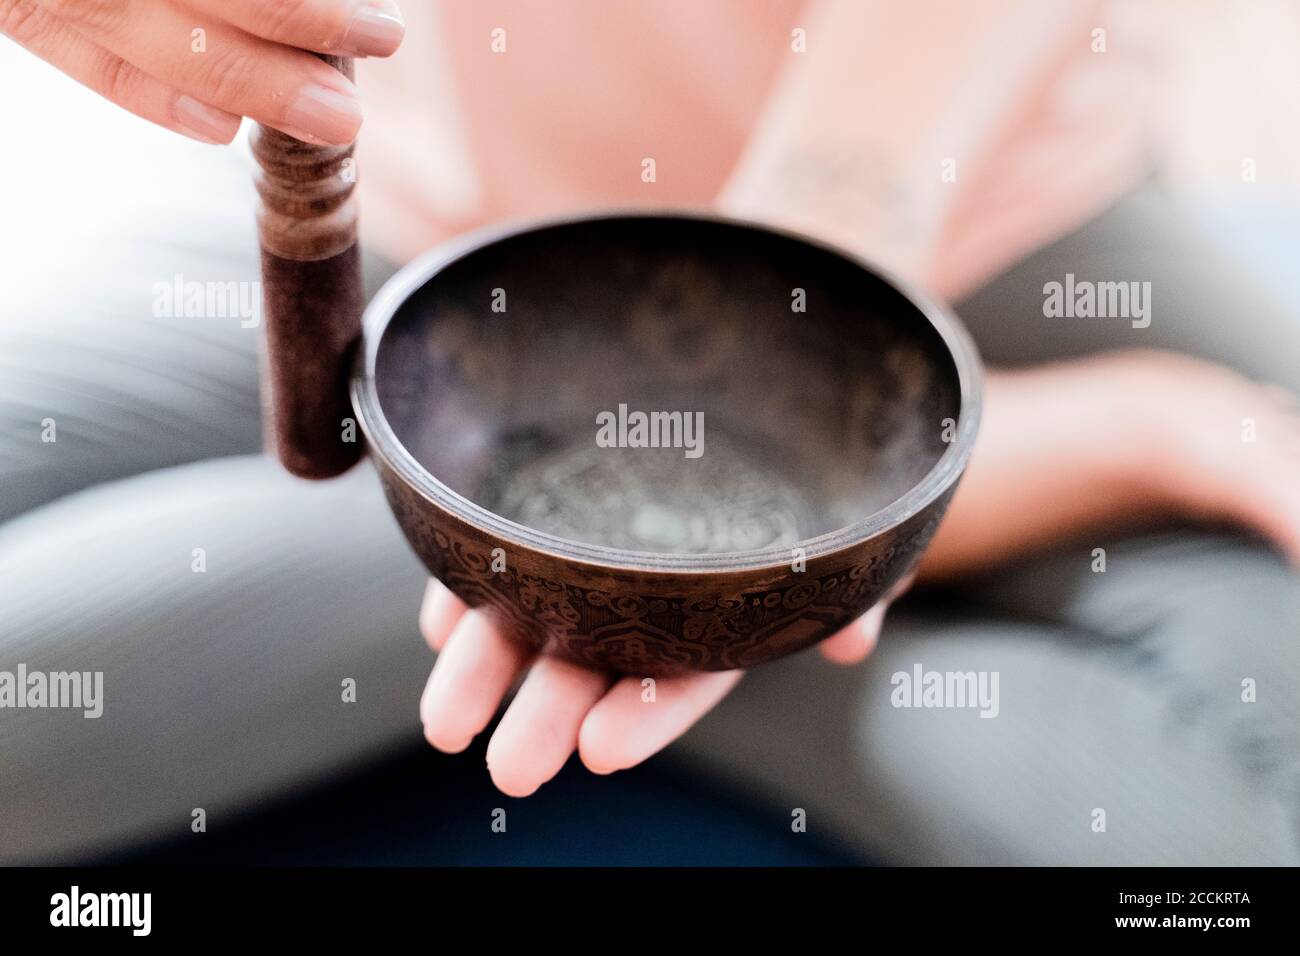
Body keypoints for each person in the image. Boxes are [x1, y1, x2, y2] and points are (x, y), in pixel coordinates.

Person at [1, 0, 1297, 864]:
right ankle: (708, 580)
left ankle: (605, 571)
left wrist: (818, 255)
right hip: (427, 238)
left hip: (987, 218)